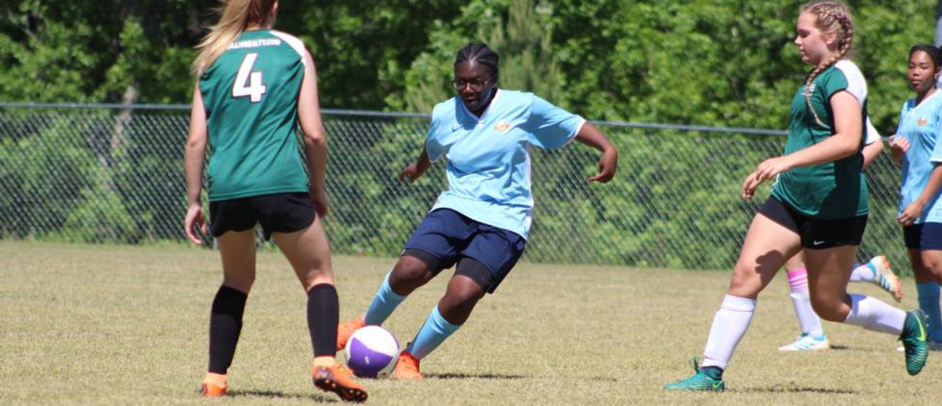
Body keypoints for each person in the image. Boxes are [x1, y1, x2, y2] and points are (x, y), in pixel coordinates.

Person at [664, 1, 928, 392]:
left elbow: (849, 140)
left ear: (832, 36)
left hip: (834, 207)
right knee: (744, 278)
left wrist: (785, 161)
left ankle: (908, 324)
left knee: (828, 305)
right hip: (790, 199)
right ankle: (710, 372)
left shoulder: (844, 74)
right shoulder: (816, 76)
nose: (796, 40)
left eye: (804, 33)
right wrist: (771, 169)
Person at [334, 43, 618, 379]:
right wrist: (419, 167)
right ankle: (366, 324)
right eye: (460, 82)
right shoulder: (445, 113)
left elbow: (571, 124)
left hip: (506, 219)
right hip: (456, 206)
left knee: (462, 294)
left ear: (493, 80)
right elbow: (434, 145)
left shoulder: (522, 106)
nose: (468, 89)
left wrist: (607, 147)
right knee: (407, 270)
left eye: (476, 82)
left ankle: (411, 357)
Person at [183, 0, 366, 401]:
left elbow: (197, 140)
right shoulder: (292, 49)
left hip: (227, 186)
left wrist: (194, 199)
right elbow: (314, 134)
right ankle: (323, 362)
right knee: (319, 277)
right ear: (274, 6)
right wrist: (317, 189)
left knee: (236, 281)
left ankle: (215, 380)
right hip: (281, 181)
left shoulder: (211, 57)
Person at [779, 119, 904, 352]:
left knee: (805, 262)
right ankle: (868, 273)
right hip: (803, 193)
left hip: (827, 197)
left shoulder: (838, 95)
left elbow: (875, 143)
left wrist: (844, 174)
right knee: (797, 259)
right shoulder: (808, 97)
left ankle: (814, 334)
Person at [888, 44, 942, 352]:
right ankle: (936, 335)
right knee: (920, 269)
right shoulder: (908, 106)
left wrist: (921, 202)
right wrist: (896, 153)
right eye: (911, 66)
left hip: (933, 202)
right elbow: (901, 158)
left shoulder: (941, 104)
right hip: (910, 200)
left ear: (937, 72)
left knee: (935, 264)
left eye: (922, 67)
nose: (915, 72)